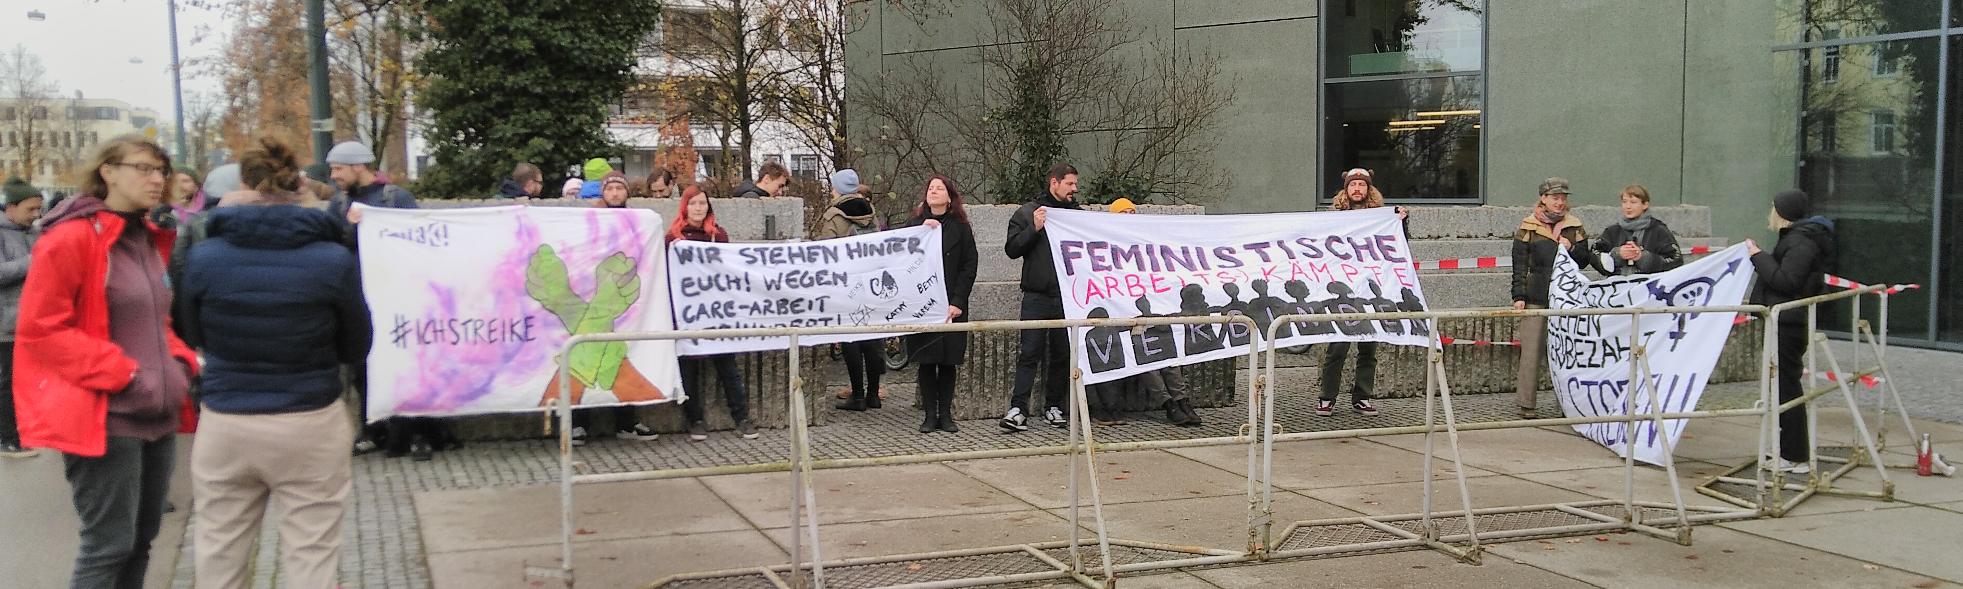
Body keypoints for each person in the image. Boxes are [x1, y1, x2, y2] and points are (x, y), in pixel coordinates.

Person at [178, 136, 370, 589]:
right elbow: (356, 343)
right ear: (298, 184)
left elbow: (190, 334)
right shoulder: (332, 258)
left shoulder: (204, 257)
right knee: (312, 552)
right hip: (308, 416)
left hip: (226, 416)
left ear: (242, 184)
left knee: (220, 548)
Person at [14, 135, 201, 588]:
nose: (157, 179)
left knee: (142, 539)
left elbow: (155, 321)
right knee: (108, 546)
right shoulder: (73, 238)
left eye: (162, 170)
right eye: (143, 168)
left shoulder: (145, 235)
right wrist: (125, 374)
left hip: (156, 413)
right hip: (106, 417)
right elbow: (42, 328)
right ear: (108, 172)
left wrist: (179, 363)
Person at [324, 140, 444, 459]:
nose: (333, 176)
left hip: (398, 299)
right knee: (364, 368)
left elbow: (418, 241)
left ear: (358, 167)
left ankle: (420, 432)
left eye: (338, 168)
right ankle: (374, 430)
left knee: (409, 367)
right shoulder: (338, 206)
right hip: (359, 299)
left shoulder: (395, 198)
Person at [1748, 189, 1837, 475]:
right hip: (1786, 321)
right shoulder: (1800, 239)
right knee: (1783, 386)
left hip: (1788, 323)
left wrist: (1758, 256)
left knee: (1787, 387)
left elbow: (1786, 281)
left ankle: (1795, 455)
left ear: (1782, 212)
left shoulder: (1800, 242)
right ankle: (1789, 449)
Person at [1100, 198, 1204, 427]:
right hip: (1130, 314)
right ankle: (1168, 404)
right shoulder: (1107, 245)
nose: (1129, 216)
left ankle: (1182, 400)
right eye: (1123, 213)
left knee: (1169, 356)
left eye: (1132, 212)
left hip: (1154, 310)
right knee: (1147, 357)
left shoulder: (1145, 242)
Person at [1316, 169, 1408, 418]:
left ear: (1369, 189)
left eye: (1361, 185)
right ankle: (1327, 397)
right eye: (1353, 185)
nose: (1357, 189)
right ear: (1346, 190)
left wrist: (1400, 221)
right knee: (1337, 348)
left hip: (1371, 290)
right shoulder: (1334, 218)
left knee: (1369, 348)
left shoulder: (1379, 217)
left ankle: (1362, 396)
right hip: (1343, 293)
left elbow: (1397, 247)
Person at [670, 186, 759, 440]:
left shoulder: (718, 236)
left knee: (728, 368)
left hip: (716, 313)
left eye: (703, 204)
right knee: (688, 370)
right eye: (694, 203)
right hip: (687, 315)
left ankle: (741, 417)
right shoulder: (673, 238)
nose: (699, 208)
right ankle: (694, 420)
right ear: (685, 207)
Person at [1001, 163, 1084, 432]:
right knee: (1029, 352)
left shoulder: (1079, 216)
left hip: (1066, 297)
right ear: (1054, 183)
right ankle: (1018, 409)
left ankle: (1054, 406)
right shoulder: (1028, 213)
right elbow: (1012, 249)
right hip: (1036, 296)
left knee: (1061, 354)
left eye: (1075, 184)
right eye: (1070, 184)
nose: (1075, 189)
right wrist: (1034, 228)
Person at [903, 175, 977, 433]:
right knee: (927, 360)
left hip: (951, 304)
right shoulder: (914, 225)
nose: (933, 192)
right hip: (924, 304)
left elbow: (969, 265)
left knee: (948, 361)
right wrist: (923, 230)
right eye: (930, 188)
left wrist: (958, 301)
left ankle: (945, 414)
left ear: (949, 196)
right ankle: (929, 414)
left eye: (939, 188)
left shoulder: (961, 227)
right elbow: (903, 259)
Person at [1510, 177, 1589, 419]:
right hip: (1537, 295)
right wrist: (1519, 296)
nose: (1560, 202)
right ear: (1543, 199)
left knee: (1567, 351)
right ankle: (1527, 403)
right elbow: (1520, 264)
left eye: (1563, 198)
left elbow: (1586, 260)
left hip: (1566, 298)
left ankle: (1568, 403)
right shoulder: (1528, 226)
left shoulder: (1574, 226)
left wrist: (1572, 248)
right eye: (1555, 198)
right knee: (1531, 352)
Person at [815, 169, 888, 411]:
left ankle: (857, 396)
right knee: (872, 338)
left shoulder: (834, 216)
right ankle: (873, 394)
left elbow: (826, 253)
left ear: (837, 189)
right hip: (870, 284)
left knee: (851, 340)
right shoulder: (871, 214)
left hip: (846, 286)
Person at [1, 176, 45, 457]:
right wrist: (33, 262)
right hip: (6, 322)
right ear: (11, 208)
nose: (36, 215)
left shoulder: (35, 233)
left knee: (30, 381)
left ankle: (29, 430)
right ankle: (7, 437)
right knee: (8, 382)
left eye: (38, 209)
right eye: (30, 209)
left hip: (35, 320)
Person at [1591, 184, 1682, 276]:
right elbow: (1594, 255)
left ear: (1645, 205)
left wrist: (1642, 257)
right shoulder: (1612, 231)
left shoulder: (1658, 230)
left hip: (1649, 287)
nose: (1628, 206)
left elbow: (1676, 260)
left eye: (1633, 202)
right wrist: (1617, 255)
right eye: (1624, 202)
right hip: (1619, 287)